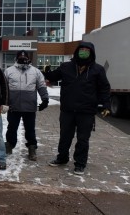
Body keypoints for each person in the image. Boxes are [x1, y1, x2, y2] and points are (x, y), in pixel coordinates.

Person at [45, 42, 111, 175]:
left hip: (86, 112)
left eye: (87, 50)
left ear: (91, 53)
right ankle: (62, 158)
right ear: (77, 51)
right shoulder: (66, 67)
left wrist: (106, 105)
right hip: (68, 110)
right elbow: (53, 77)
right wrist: (47, 71)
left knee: (83, 139)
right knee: (65, 137)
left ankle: (80, 164)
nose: (84, 52)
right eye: (82, 49)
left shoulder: (97, 70)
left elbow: (104, 88)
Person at [4, 50, 49, 161]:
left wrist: (45, 99)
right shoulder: (9, 71)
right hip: (13, 106)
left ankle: (32, 148)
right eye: (20, 56)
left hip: (29, 106)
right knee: (12, 127)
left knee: (30, 129)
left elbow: (41, 86)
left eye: (25, 56)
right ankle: (9, 145)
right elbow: (3, 88)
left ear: (29, 58)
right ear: (16, 58)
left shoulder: (36, 72)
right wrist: (3, 102)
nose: (23, 58)